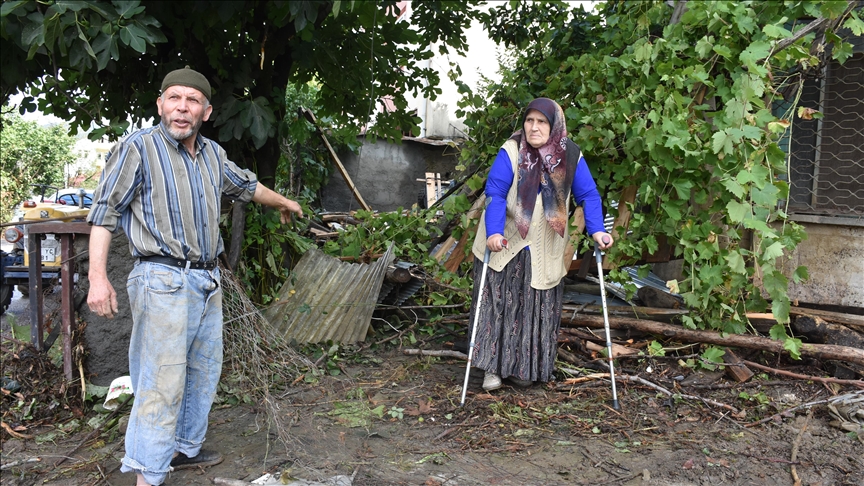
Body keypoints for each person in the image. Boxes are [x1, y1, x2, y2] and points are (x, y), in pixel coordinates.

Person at [86, 66, 303, 486]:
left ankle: (183, 448)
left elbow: (246, 186)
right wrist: (98, 276)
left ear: (206, 111)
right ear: (160, 104)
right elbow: (104, 214)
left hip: (206, 281)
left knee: (203, 371)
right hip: (161, 279)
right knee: (160, 381)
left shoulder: (212, 155)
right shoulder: (139, 148)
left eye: (192, 101)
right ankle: (148, 474)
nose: (182, 108)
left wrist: (285, 202)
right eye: (174, 98)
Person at [468, 97, 613, 392]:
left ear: (554, 125)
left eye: (541, 122)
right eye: (529, 120)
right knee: (497, 305)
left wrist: (597, 231)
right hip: (504, 243)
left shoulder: (570, 156)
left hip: (544, 248)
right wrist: (494, 232)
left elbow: (589, 195)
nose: (533, 127)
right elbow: (495, 191)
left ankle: (524, 369)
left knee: (535, 308)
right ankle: (491, 369)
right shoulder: (512, 150)